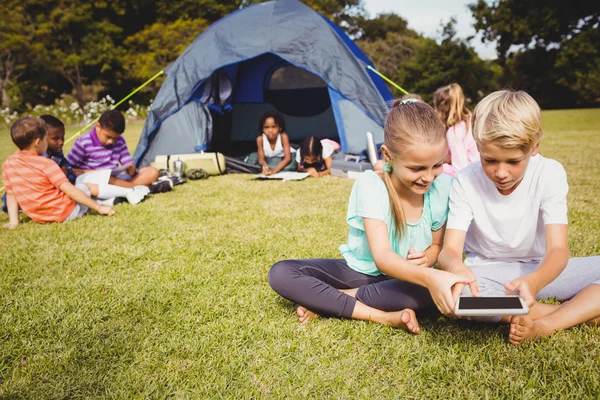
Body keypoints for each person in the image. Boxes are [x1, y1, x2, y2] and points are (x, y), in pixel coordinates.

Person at [268, 100, 474, 332]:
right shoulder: (372, 184)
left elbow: (437, 245)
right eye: (417, 168)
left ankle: (331, 299)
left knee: (430, 291)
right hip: (361, 273)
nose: (428, 177)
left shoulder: (442, 186)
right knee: (282, 272)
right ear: (388, 155)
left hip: (407, 280)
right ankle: (382, 317)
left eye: (436, 165)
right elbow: (383, 258)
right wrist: (428, 276)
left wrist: (427, 259)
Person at [437, 89, 600, 345]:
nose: (500, 172)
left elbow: (558, 250)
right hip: (487, 272)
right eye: (489, 160)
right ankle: (580, 312)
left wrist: (534, 282)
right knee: (460, 298)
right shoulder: (465, 179)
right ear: (477, 146)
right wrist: (455, 268)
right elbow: (449, 251)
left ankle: (547, 324)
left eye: (513, 161)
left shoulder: (550, 173)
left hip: (542, 270)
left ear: (534, 148)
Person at [2, 117, 118, 228]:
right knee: (83, 187)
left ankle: (109, 198)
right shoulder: (46, 163)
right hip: (68, 213)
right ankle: (124, 194)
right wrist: (99, 208)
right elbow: (70, 190)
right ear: (38, 142)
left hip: (40, 217)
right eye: (45, 139)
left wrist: (14, 222)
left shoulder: (8, 164)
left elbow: (11, 194)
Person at [66, 110, 170, 193]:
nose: (111, 141)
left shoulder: (119, 141)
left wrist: (131, 168)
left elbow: (127, 162)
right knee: (107, 178)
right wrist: (94, 173)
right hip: (96, 180)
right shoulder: (83, 142)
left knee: (152, 171)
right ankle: (136, 188)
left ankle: (128, 189)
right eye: (108, 137)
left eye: (115, 138)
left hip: (116, 178)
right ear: (98, 126)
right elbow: (69, 168)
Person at [433, 83, 479, 177]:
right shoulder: (471, 120)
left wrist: (437, 166)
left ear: (441, 109)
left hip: (473, 180)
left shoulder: (454, 132)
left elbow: (460, 170)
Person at [245, 110, 297, 175]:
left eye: (274, 127)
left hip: (282, 161)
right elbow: (261, 160)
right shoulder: (260, 139)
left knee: (292, 165)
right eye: (266, 127)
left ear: (280, 128)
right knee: (253, 156)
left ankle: (274, 168)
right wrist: (265, 167)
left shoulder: (283, 137)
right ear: (262, 129)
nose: (270, 130)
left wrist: (274, 171)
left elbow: (287, 158)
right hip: (268, 161)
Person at [40, 114, 77, 184]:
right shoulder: (40, 158)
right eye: (55, 138)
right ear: (42, 138)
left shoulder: (57, 151)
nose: (61, 142)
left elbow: (68, 171)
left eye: (62, 137)